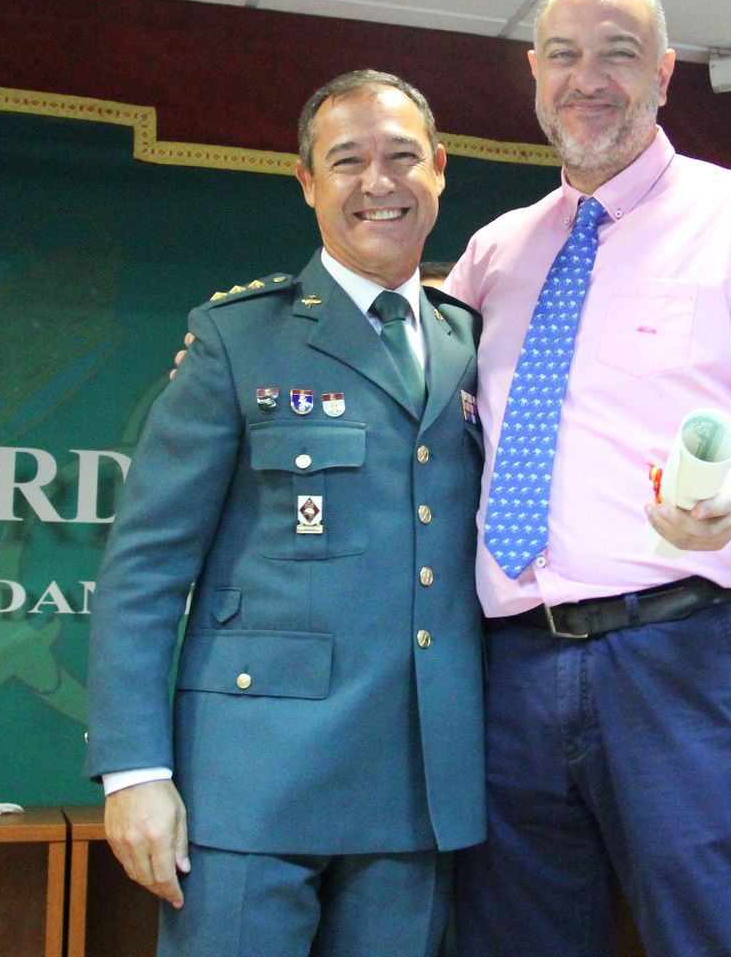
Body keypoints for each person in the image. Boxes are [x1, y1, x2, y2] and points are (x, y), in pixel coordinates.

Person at [444, 0, 731, 956]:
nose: (588, 78)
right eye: (564, 55)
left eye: (618, 54)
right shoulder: (494, 251)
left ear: (666, 73)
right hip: (509, 666)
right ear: (534, 74)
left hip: (678, 657)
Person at [85, 70, 486, 957]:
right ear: (307, 182)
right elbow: (145, 567)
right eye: (347, 162)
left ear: (441, 171)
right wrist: (134, 769)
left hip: (418, 790)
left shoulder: (472, 342)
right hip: (249, 786)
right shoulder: (238, 337)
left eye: (402, 157)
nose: (378, 182)